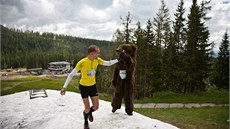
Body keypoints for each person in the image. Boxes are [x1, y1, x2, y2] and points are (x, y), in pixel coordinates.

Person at [60, 45, 118, 129]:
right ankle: (85, 121)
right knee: (87, 108)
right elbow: (71, 74)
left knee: (96, 107)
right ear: (91, 53)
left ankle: (89, 113)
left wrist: (118, 60)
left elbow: (108, 63)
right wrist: (64, 87)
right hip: (83, 87)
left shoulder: (97, 60)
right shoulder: (82, 62)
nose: (99, 54)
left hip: (92, 86)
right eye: (97, 53)